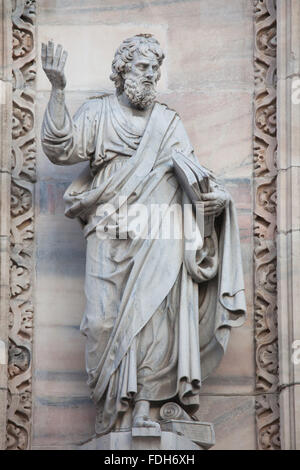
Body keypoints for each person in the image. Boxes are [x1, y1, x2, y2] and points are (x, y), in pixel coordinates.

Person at [41, 34, 246, 436]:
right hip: (109, 228)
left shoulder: (168, 123)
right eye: (141, 67)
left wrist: (215, 200)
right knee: (101, 322)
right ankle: (111, 406)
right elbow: (60, 148)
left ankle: (145, 407)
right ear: (122, 72)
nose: (150, 75)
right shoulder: (98, 114)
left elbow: (194, 176)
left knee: (154, 319)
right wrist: (58, 89)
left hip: (158, 231)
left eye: (155, 68)